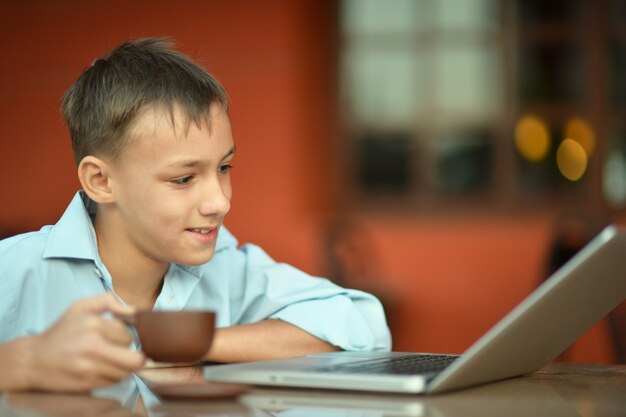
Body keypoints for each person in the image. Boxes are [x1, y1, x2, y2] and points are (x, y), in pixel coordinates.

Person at [0, 38, 391, 392]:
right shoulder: (14, 271)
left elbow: (364, 323)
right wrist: (23, 364)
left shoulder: (226, 267)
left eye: (223, 168)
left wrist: (198, 345)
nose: (220, 202)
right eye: (184, 178)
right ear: (101, 180)